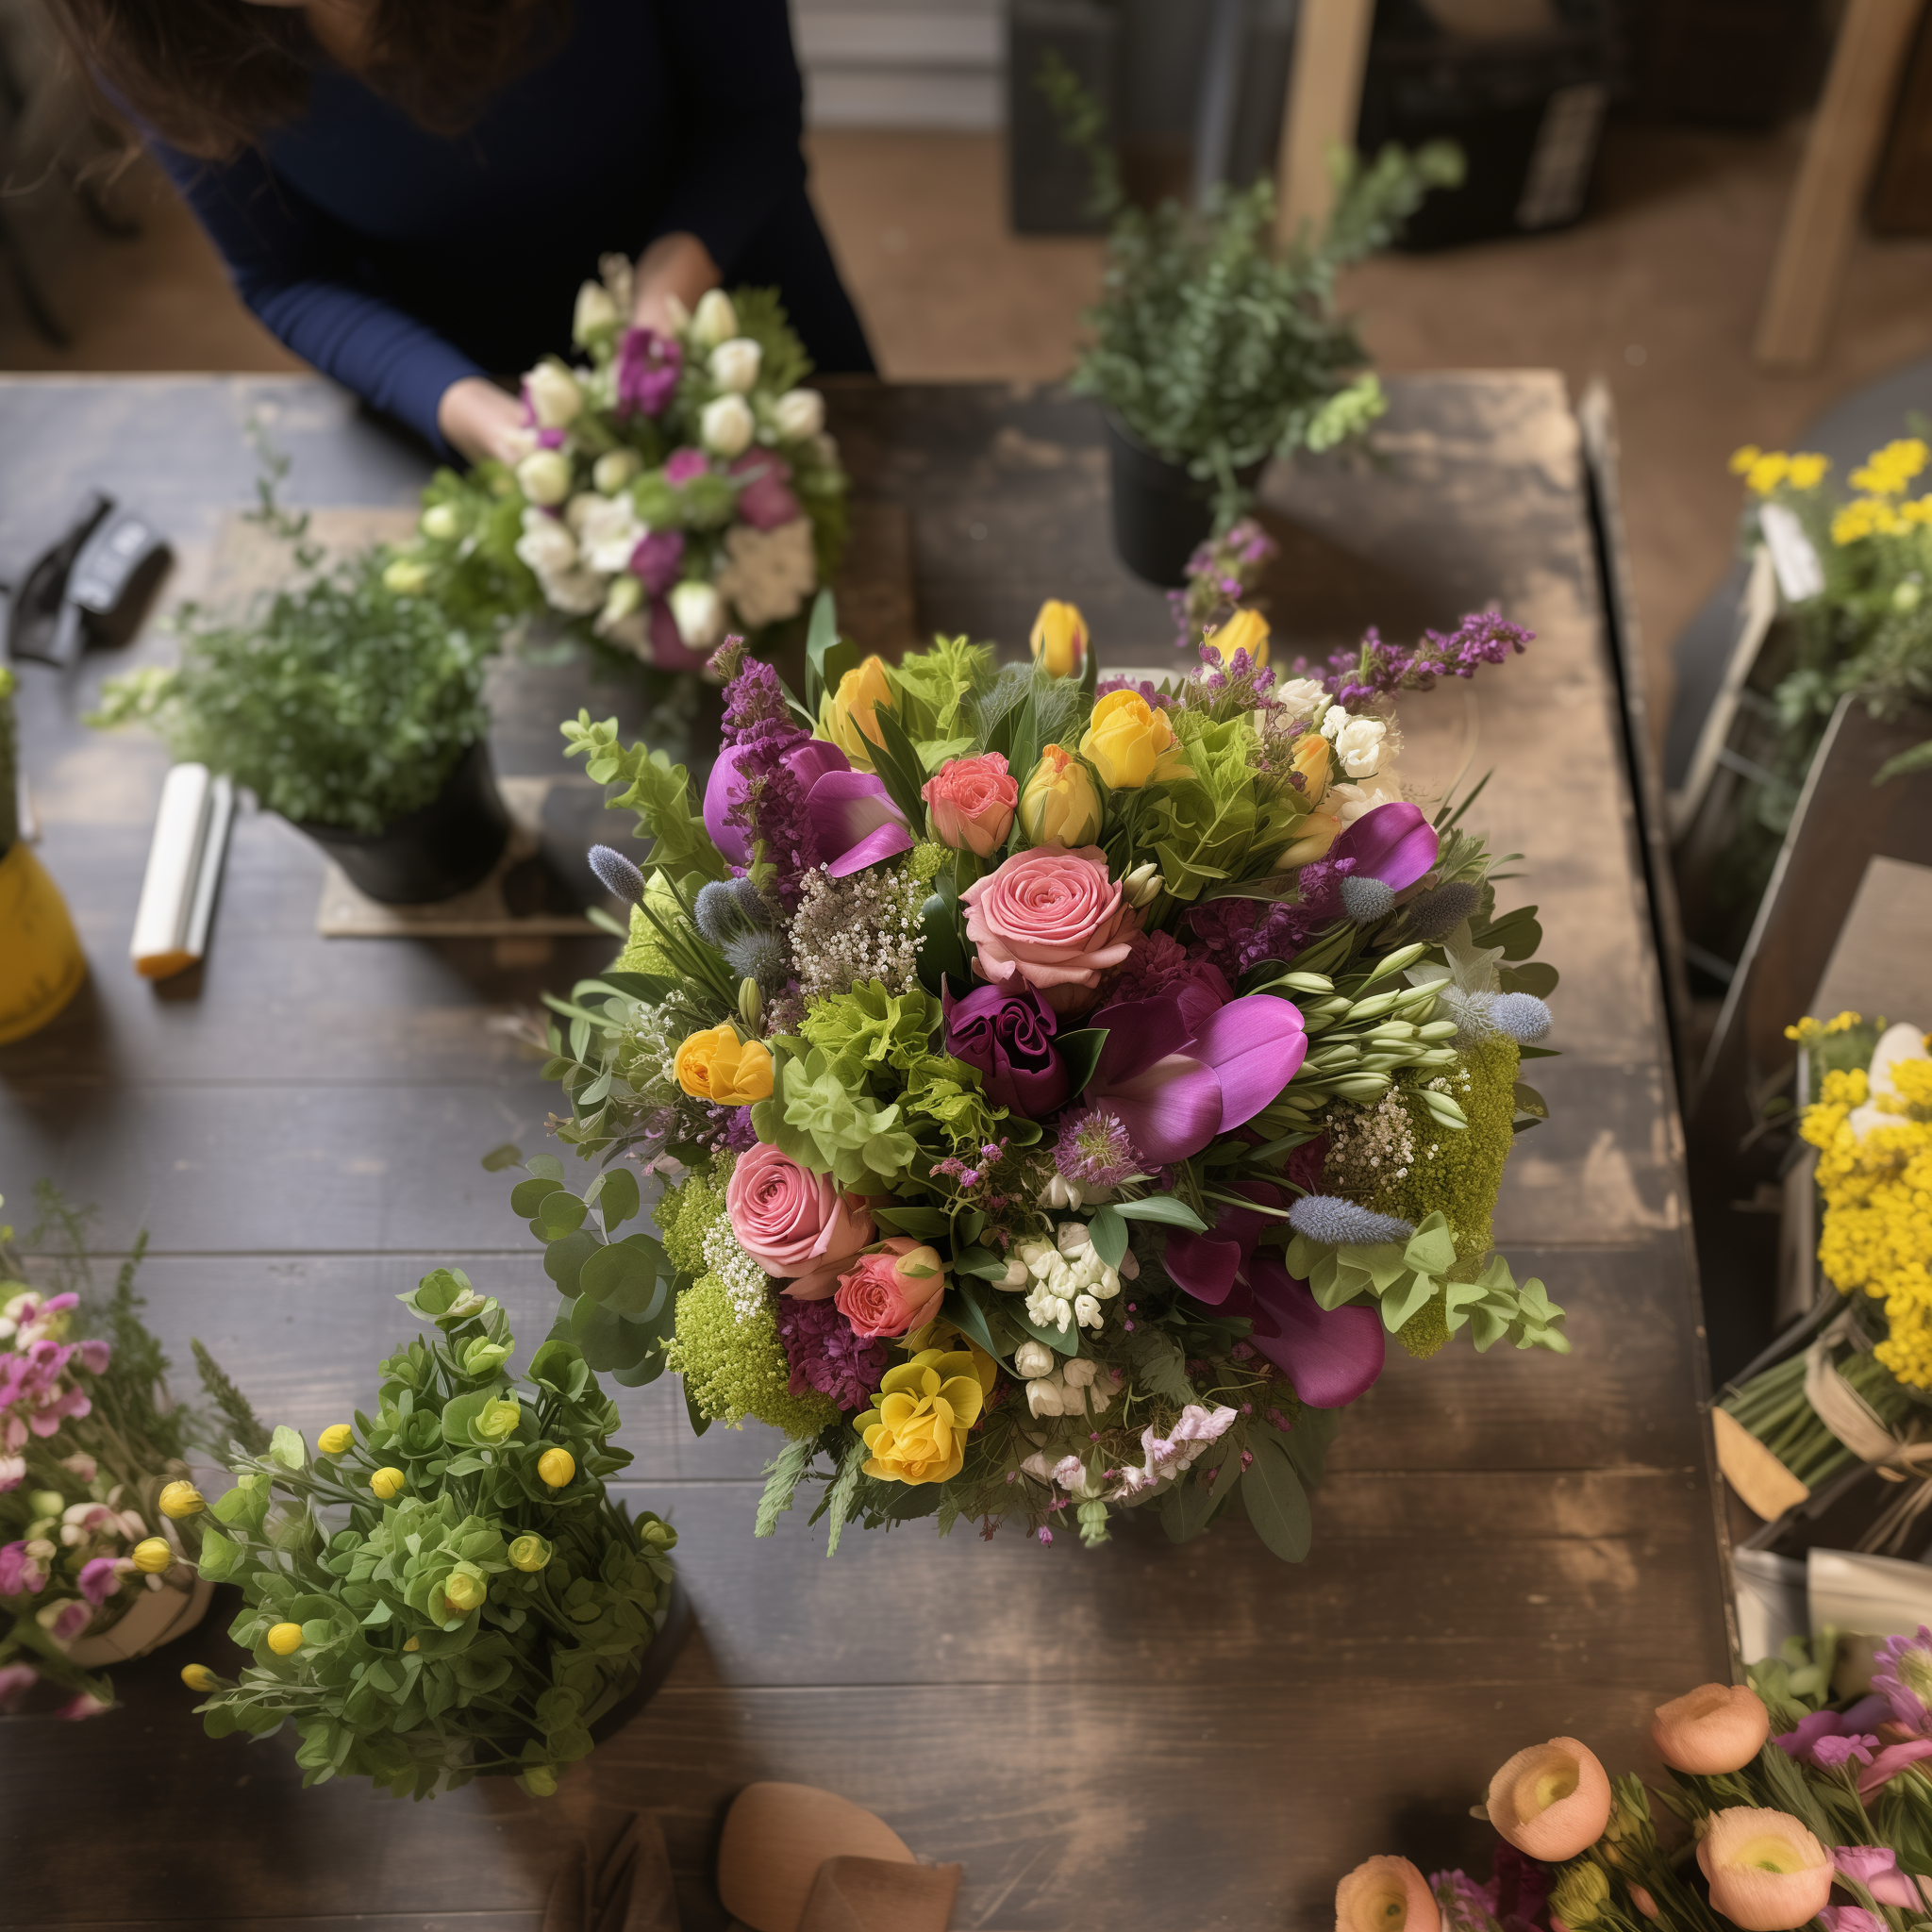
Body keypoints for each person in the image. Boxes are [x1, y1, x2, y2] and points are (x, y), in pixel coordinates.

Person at [43, 0, 874, 462]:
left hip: (733, 291)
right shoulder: (145, 26)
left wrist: (666, 291)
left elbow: (751, 118)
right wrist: (470, 410)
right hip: (454, 366)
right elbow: (284, 275)